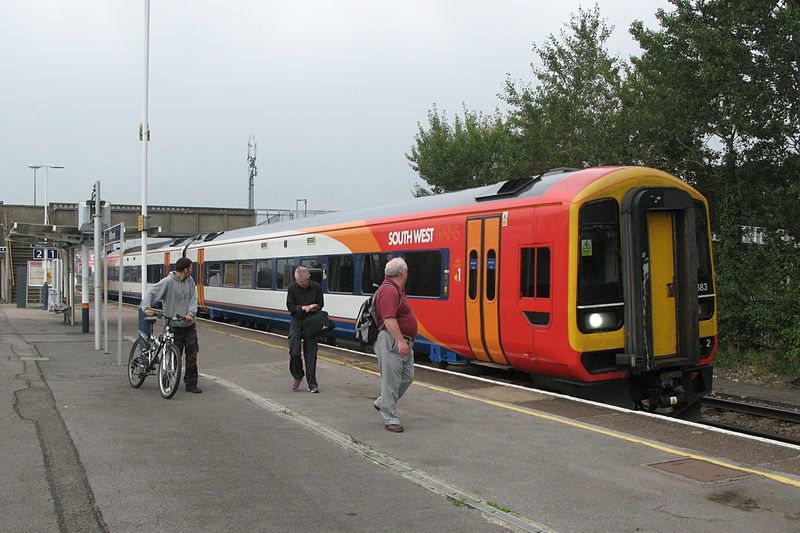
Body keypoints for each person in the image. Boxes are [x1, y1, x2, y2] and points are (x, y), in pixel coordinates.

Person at [140, 257, 202, 394]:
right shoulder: (168, 282)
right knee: (173, 356)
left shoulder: (190, 281)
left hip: (189, 324)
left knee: (192, 354)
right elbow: (151, 292)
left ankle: (191, 383)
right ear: (186, 269)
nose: (192, 270)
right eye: (191, 268)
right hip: (174, 325)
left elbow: (193, 299)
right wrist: (146, 308)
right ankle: (167, 382)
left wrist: (191, 313)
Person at [372, 257, 417, 433]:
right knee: (391, 381)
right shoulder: (389, 291)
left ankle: (383, 402)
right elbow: (389, 319)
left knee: (407, 376)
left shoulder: (397, 289)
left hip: (402, 341)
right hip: (392, 342)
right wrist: (400, 341)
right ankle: (390, 418)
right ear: (404, 273)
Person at [286, 265, 324, 393]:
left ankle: (312, 384)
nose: (301, 284)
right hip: (297, 321)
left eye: (303, 281)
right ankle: (298, 375)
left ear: (308, 277)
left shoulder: (316, 287)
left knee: (311, 354)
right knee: (294, 351)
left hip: (311, 322)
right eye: (299, 282)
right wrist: (302, 308)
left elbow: (321, 304)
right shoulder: (292, 288)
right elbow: (290, 306)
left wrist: (314, 307)